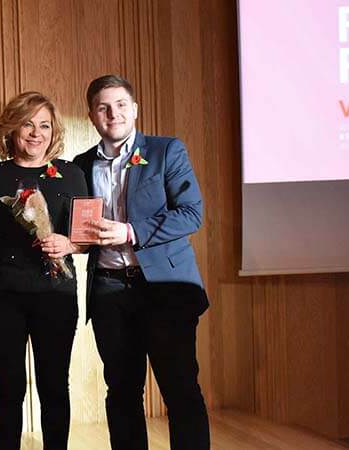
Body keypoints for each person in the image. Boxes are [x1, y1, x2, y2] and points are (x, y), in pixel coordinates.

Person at [73, 75, 210, 450]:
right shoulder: (81, 165)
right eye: (103, 107)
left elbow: (191, 214)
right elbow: (82, 232)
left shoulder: (166, 151)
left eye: (120, 105)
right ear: (91, 115)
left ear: (135, 109)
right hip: (110, 290)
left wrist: (131, 232)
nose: (112, 113)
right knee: (121, 392)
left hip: (166, 289)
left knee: (180, 388)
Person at [0, 91, 88, 450]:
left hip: (56, 295)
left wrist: (69, 245)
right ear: (12, 128)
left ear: (53, 131)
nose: (35, 133)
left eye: (44, 125)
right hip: (4, 297)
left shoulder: (71, 174)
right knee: (8, 387)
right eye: (27, 124)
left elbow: (86, 236)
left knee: (54, 384)